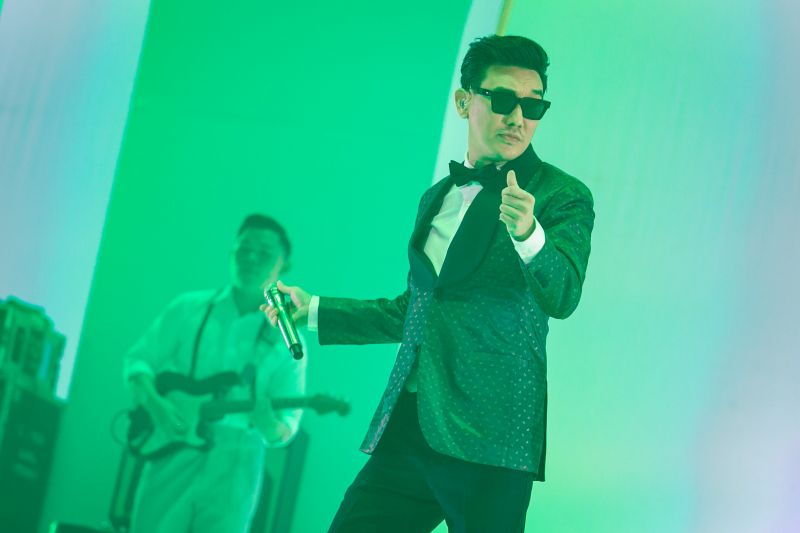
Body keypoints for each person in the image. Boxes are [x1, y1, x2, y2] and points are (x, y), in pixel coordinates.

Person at [266, 34, 594, 532]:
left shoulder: (560, 194)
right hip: (411, 421)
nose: (517, 117)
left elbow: (564, 294)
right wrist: (312, 310)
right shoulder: (437, 197)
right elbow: (416, 310)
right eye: (502, 100)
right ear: (464, 102)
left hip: (492, 437)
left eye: (532, 105)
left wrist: (529, 234)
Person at [125, 214, 306, 533]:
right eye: (244, 249)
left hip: (238, 458)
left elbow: (288, 425)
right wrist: (157, 404)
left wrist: (268, 424)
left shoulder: (286, 336)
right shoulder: (189, 308)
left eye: (264, 253)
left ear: (284, 266)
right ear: (231, 251)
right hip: (174, 442)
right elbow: (139, 360)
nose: (251, 258)